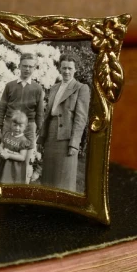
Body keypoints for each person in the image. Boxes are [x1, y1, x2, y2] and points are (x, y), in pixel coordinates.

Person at [38, 52, 90, 193]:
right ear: (60, 68)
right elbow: (48, 113)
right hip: (50, 135)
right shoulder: (54, 87)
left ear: (75, 69)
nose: (66, 71)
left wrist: (74, 143)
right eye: (64, 68)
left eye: (70, 68)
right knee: (48, 176)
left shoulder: (81, 88)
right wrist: (42, 138)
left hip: (66, 138)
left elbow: (81, 119)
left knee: (63, 179)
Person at [0, 52, 44, 183]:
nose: (27, 69)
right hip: (10, 125)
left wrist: (39, 133)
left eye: (30, 66)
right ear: (19, 66)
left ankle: (21, 188)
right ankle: (3, 186)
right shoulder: (10, 86)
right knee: (4, 159)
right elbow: (2, 108)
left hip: (29, 128)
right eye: (25, 66)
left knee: (24, 161)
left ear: (34, 68)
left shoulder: (38, 89)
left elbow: (39, 113)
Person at [0, 110, 31, 184]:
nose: (17, 128)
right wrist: (0, 151)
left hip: (14, 168)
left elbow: (22, 157)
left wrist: (8, 155)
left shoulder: (23, 141)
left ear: (25, 127)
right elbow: (1, 145)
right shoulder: (7, 134)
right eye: (15, 125)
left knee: (10, 183)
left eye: (20, 126)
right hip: (2, 163)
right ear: (11, 124)